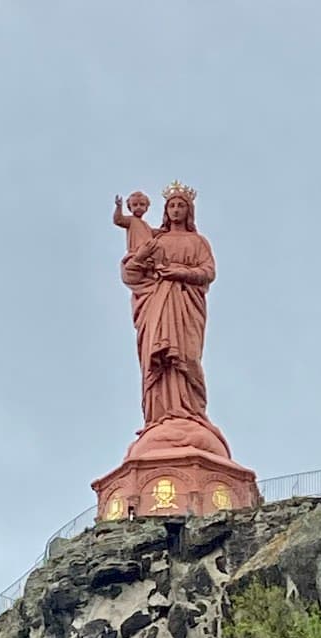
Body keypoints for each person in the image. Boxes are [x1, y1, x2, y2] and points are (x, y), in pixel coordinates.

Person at [121, 182, 230, 458]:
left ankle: (191, 412)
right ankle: (161, 415)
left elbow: (208, 272)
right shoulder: (154, 240)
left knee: (186, 357)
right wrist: (144, 256)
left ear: (189, 210)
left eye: (181, 205)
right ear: (166, 211)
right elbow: (131, 274)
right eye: (172, 205)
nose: (176, 209)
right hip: (156, 307)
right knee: (158, 361)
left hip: (185, 304)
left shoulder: (198, 242)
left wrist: (176, 272)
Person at [113, 191, 158, 256]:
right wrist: (119, 207)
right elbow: (118, 220)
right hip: (137, 251)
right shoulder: (131, 220)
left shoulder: (145, 225)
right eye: (135, 205)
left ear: (146, 207)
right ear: (130, 207)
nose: (138, 207)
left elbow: (152, 232)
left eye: (142, 204)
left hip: (148, 250)